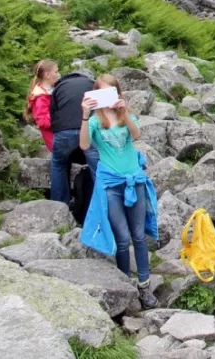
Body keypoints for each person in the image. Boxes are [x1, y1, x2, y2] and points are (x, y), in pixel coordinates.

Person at [78, 74, 158, 309]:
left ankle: (144, 286)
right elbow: (83, 145)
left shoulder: (126, 115)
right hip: (111, 184)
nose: (108, 98)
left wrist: (124, 112)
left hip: (134, 180)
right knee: (122, 238)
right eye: (102, 93)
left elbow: (136, 135)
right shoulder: (94, 121)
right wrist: (84, 115)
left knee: (139, 236)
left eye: (112, 91)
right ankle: (124, 285)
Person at [49, 70, 100, 204]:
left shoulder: (58, 88)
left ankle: (59, 205)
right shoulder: (92, 84)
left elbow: (52, 115)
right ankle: (103, 205)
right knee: (97, 167)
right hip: (89, 128)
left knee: (59, 163)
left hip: (64, 131)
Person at [25, 59, 59, 152]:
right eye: (56, 71)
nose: (59, 74)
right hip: (55, 141)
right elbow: (43, 123)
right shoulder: (40, 98)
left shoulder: (55, 89)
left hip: (62, 137)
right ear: (47, 75)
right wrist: (58, 111)